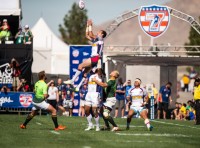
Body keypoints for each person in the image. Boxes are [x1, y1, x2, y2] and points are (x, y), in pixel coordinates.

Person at [64, 20, 107, 92]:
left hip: (95, 57)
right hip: (95, 59)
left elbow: (91, 34)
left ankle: (72, 80)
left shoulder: (100, 39)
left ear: (102, 35)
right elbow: (87, 35)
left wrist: (90, 26)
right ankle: (78, 87)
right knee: (84, 73)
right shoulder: (96, 40)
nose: (98, 32)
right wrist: (87, 26)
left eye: (99, 32)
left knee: (80, 66)